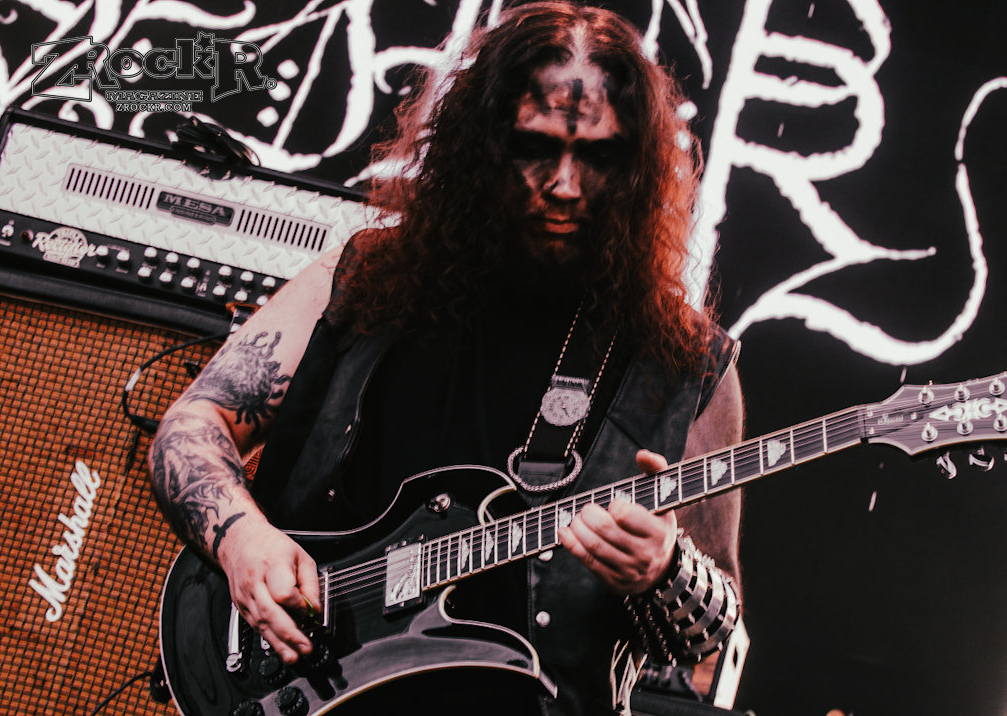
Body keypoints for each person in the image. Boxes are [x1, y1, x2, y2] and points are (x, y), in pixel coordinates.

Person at [149, 3, 744, 715]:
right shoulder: (369, 278)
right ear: (480, 144)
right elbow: (194, 424)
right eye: (534, 146)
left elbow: (716, 630)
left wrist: (663, 571)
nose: (565, 184)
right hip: (308, 692)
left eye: (598, 156)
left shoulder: (682, 361)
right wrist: (242, 541)